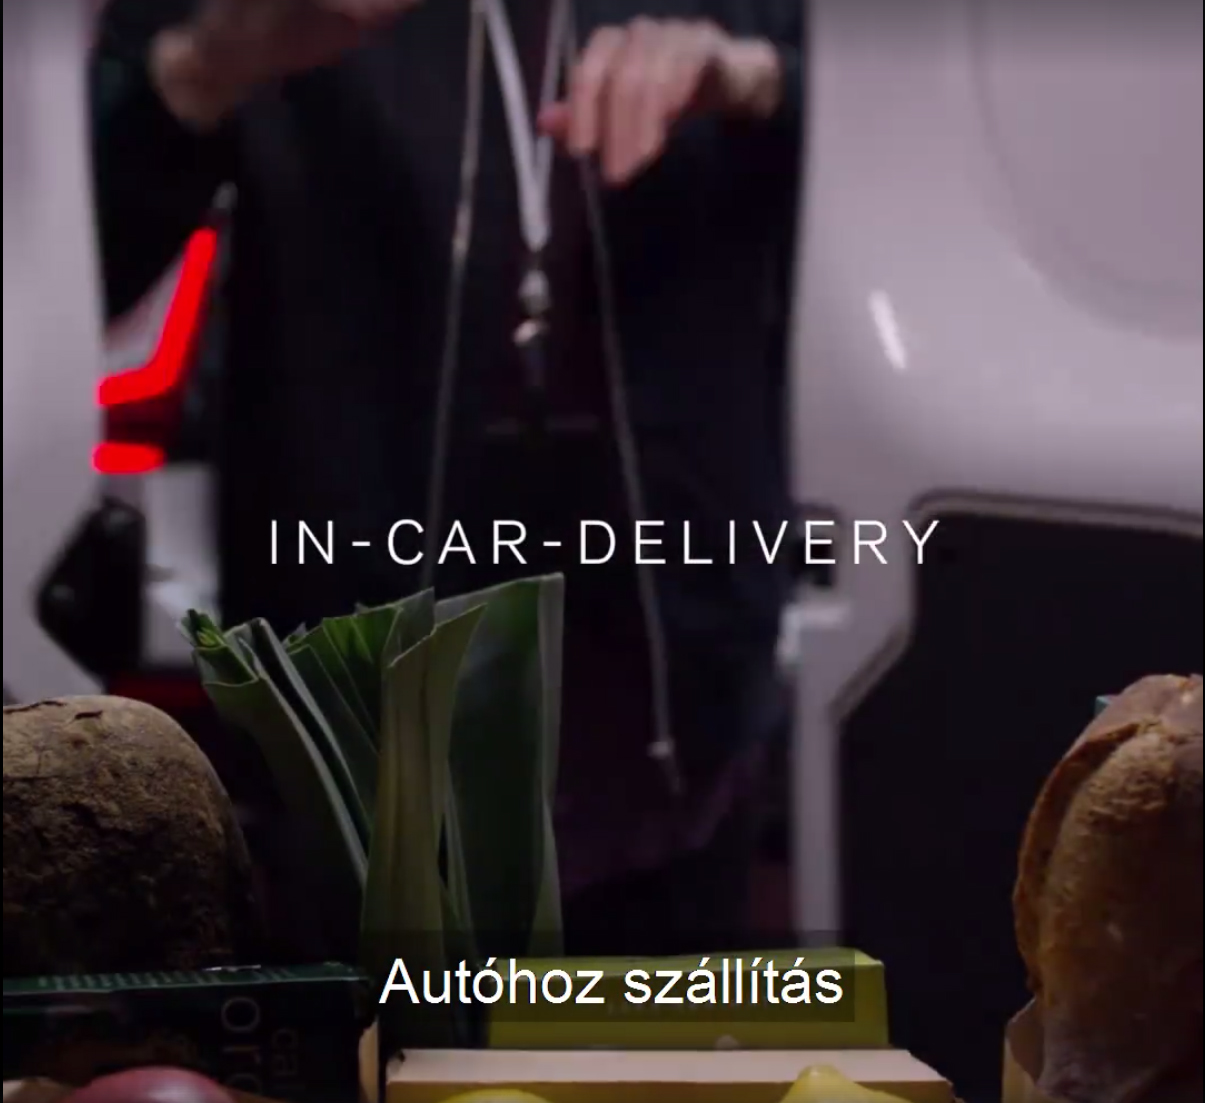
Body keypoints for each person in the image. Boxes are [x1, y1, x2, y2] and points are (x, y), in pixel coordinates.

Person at [90, 0, 801, 956]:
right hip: (353, 700)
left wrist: (759, 82)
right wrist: (205, 65)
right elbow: (68, 257)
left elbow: (901, 205)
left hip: (679, 692)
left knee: (669, 1026)